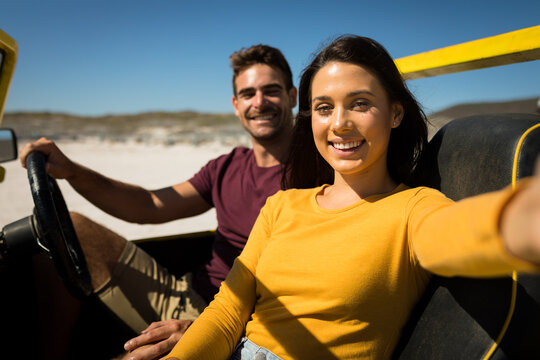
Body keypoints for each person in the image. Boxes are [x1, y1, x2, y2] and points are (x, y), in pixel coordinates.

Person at [162, 35, 540, 360]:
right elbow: (229, 311)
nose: (339, 123)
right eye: (324, 108)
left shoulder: (413, 208)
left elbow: (462, 232)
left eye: (360, 103)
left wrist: (520, 219)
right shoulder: (281, 205)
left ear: (395, 113)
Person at [19, 44, 297, 360]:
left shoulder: (318, 174)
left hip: (248, 321)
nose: (259, 102)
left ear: (292, 96)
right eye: (248, 94)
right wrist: (71, 171)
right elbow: (149, 204)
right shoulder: (226, 167)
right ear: (236, 104)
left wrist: (206, 327)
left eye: (271, 91)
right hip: (188, 294)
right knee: (63, 231)